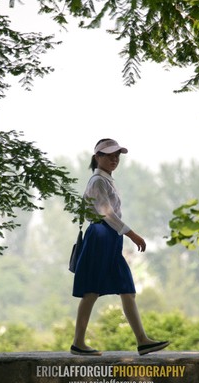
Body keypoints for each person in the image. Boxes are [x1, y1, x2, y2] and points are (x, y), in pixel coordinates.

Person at [70, 138, 170, 356]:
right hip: (101, 235)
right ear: (97, 157)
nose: (114, 159)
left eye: (117, 155)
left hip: (110, 237)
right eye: (109, 155)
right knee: (92, 290)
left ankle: (143, 340)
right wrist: (132, 234)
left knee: (126, 288)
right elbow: (107, 214)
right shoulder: (97, 180)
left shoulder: (105, 180)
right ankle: (78, 342)